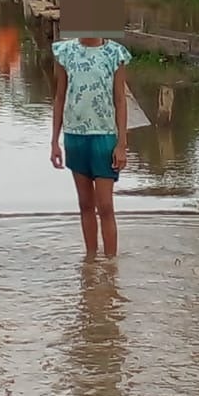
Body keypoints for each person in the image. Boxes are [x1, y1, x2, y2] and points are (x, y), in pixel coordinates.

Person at [50, 36, 130, 258]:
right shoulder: (65, 52)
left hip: (104, 137)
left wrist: (122, 144)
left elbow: (121, 100)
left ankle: (111, 265)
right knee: (85, 204)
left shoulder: (116, 54)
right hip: (75, 136)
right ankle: (91, 260)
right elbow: (59, 97)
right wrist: (54, 142)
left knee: (105, 206)